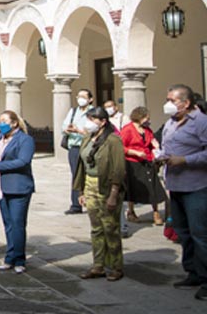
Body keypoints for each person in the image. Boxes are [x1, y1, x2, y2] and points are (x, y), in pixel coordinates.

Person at [159, 84, 207, 301]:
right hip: (176, 185)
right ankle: (193, 273)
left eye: (172, 99)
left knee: (201, 234)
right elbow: (169, 148)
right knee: (183, 233)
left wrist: (186, 160)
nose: (167, 103)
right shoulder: (171, 123)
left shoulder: (203, 123)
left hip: (199, 186)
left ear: (186, 103)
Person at [73, 107, 126, 282]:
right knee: (96, 228)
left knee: (110, 227)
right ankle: (98, 265)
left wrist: (113, 193)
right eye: (88, 118)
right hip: (90, 183)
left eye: (93, 119)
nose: (89, 122)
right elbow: (82, 165)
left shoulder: (113, 140)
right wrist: (81, 190)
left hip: (107, 185)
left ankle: (116, 266)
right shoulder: (87, 138)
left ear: (103, 121)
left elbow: (118, 169)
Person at [0, 110, 35, 273]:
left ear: (14, 123)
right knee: (8, 224)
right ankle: (9, 258)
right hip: (1, 186)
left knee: (18, 223)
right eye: (0, 121)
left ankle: (19, 259)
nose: (1, 124)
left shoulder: (25, 140)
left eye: (4, 121)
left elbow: (23, 161)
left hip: (18, 186)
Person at [120, 107, 165, 226]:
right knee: (133, 188)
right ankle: (131, 211)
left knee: (153, 187)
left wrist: (155, 147)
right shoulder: (128, 130)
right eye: (146, 118)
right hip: (133, 162)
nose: (148, 121)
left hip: (147, 160)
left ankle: (156, 212)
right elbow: (121, 146)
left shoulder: (147, 129)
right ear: (139, 117)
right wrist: (134, 152)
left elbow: (151, 141)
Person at [62, 89, 93, 214]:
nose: (80, 99)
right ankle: (75, 204)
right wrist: (68, 129)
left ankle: (91, 202)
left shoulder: (93, 112)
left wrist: (79, 131)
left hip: (88, 147)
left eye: (83, 97)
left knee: (89, 174)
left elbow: (93, 130)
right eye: (78, 96)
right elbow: (64, 126)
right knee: (76, 175)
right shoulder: (73, 111)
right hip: (74, 148)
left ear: (90, 99)